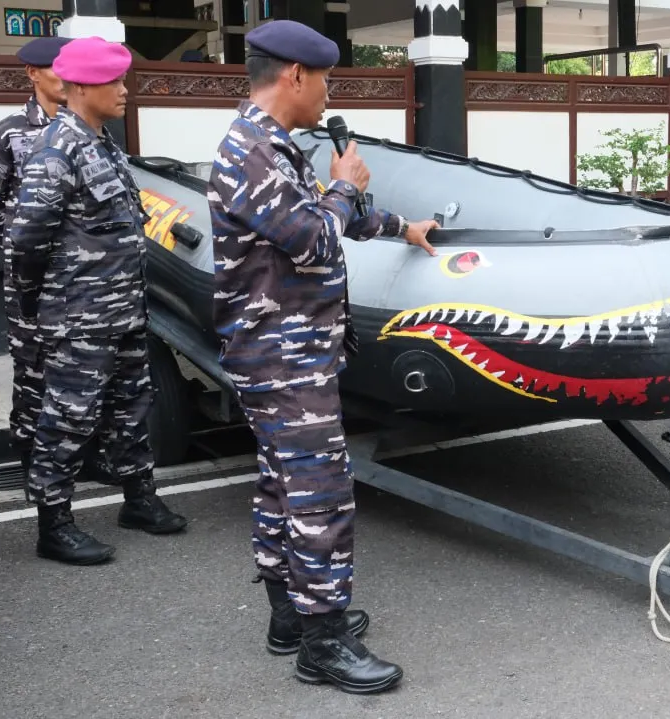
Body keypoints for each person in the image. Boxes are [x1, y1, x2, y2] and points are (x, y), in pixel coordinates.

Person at [206, 20, 438, 695]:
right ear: (296, 76)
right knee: (320, 493)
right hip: (281, 354)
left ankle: (291, 616)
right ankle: (324, 642)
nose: (329, 93)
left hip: (286, 349)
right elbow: (313, 237)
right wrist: (344, 185)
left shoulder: (273, 147)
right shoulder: (252, 151)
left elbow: (320, 216)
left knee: (284, 484)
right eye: (326, 80)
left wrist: (401, 226)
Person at [9, 36, 188, 566]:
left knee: (132, 408)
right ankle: (54, 524)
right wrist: (46, 304)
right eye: (114, 81)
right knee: (69, 417)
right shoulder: (56, 150)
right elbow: (26, 241)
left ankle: (139, 500)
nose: (125, 90)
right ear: (82, 87)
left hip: (123, 309)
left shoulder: (102, 143)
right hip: (79, 316)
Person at [0, 36, 115, 488]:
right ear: (33, 74)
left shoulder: (93, 130)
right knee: (34, 369)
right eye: (56, 68)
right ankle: (32, 459)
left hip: (82, 284)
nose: (65, 77)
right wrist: (21, 248)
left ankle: (83, 455)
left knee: (84, 373)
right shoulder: (10, 132)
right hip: (31, 280)